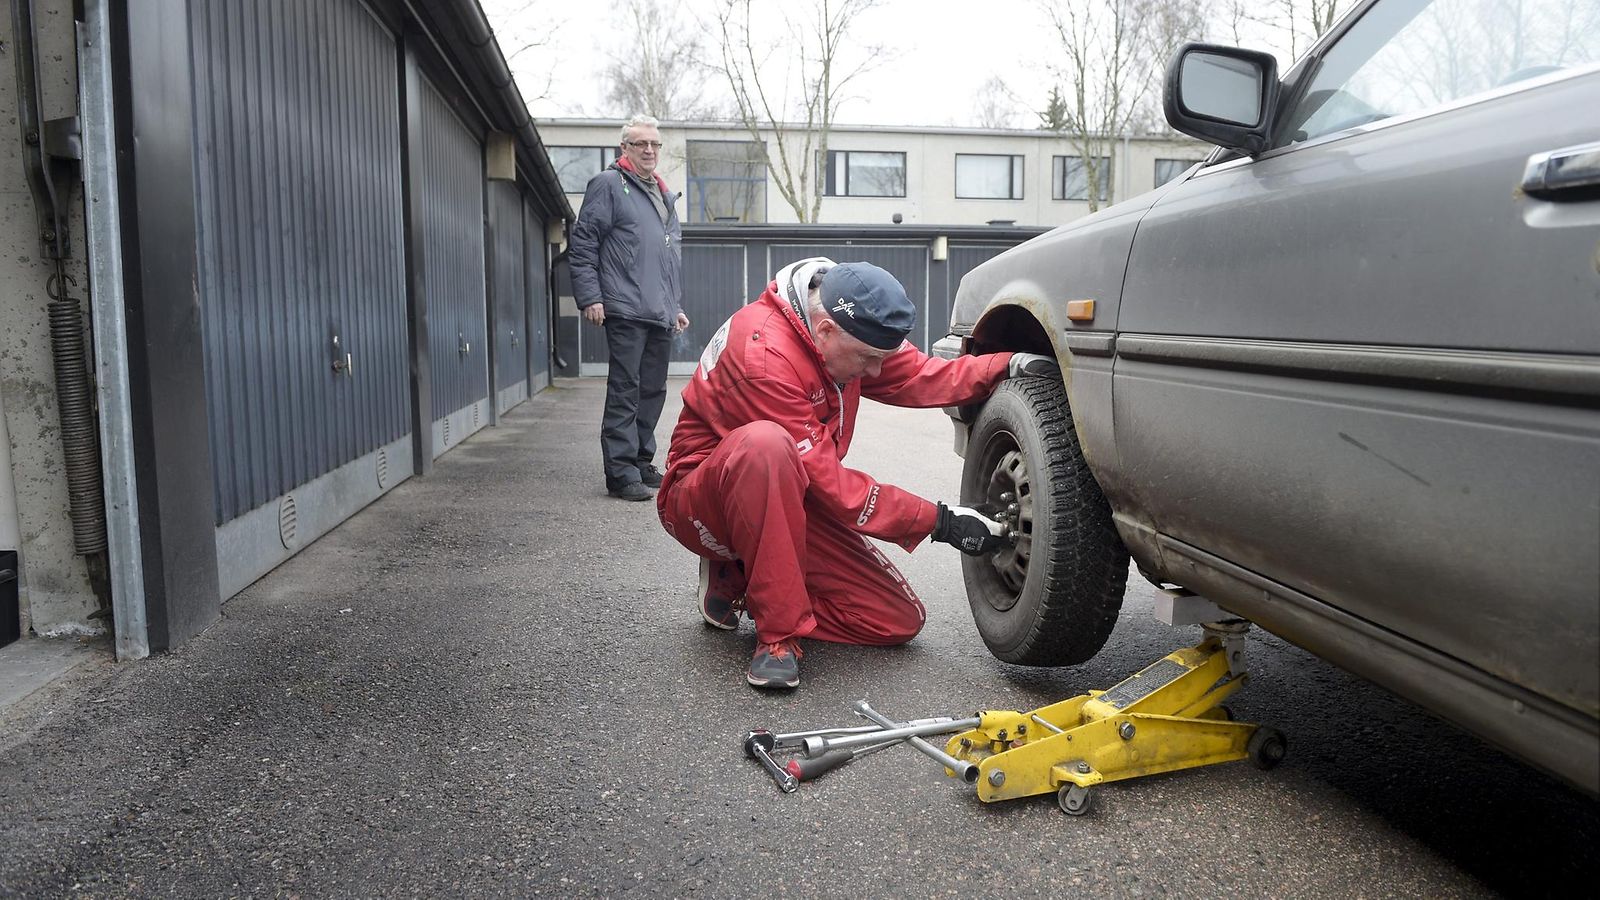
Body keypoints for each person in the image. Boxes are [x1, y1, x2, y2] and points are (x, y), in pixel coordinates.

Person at [655, 258, 1058, 688]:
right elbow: (832, 486)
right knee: (767, 447)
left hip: (791, 494)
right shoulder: (766, 358)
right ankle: (777, 635)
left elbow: (920, 375)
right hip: (703, 496)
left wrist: (1006, 365)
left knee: (896, 620)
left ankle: (751, 573)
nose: (876, 373)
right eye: (869, 359)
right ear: (825, 329)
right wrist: (941, 521)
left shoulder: (848, 330)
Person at [569, 114, 690, 502]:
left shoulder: (661, 192)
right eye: (641, 144)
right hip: (623, 307)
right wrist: (590, 297)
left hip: (659, 312)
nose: (650, 150)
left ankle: (640, 461)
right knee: (626, 389)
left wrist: (675, 306)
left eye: (654, 144)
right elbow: (584, 242)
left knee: (653, 390)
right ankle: (620, 473)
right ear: (625, 148)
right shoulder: (609, 185)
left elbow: (663, 260)